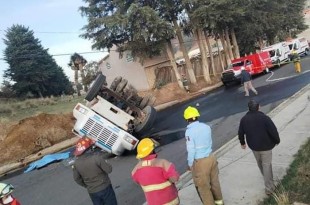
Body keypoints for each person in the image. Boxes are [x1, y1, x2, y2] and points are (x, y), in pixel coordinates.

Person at [238, 99, 280, 195]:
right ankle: (269, 188)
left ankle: (268, 180)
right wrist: (277, 140)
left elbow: (240, 132)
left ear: (248, 108)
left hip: (254, 147)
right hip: (266, 146)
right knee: (266, 166)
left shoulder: (244, 119)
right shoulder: (264, 118)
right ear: (259, 107)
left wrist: (242, 143)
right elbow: (273, 130)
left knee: (261, 164)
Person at [183, 106, 224, 205]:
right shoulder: (206, 127)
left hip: (200, 163)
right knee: (215, 184)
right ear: (197, 116)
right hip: (211, 158)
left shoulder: (189, 132)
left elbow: (191, 150)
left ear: (187, 119)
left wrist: (190, 164)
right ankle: (220, 203)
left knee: (204, 188)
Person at [131, 138, 180, 205]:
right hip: (170, 201)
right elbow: (174, 178)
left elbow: (137, 180)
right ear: (151, 151)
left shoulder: (136, 170)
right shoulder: (162, 163)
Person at [72, 137, 117, 205]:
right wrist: (106, 162)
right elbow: (109, 170)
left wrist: (87, 185)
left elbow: (77, 179)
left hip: (92, 191)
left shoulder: (76, 164)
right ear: (88, 149)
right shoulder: (96, 158)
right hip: (105, 187)